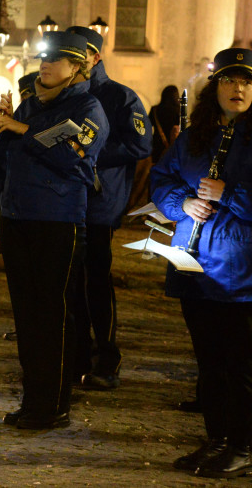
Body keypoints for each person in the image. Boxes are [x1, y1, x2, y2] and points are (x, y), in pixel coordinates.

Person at [0, 29, 107, 430]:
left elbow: (74, 157)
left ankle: (54, 404)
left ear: (77, 68)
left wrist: (22, 131)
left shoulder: (88, 107)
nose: (45, 65)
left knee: (53, 315)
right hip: (18, 217)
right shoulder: (28, 106)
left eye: (55, 60)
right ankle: (34, 399)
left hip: (57, 221)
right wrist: (1, 127)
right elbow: (2, 162)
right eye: (43, 59)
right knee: (26, 315)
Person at [150, 47, 252, 478]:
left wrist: (226, 193)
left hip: (241, 274)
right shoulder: (195, 135)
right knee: (209, 364)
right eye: (230, 80)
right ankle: (217, 439)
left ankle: (244, 445)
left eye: (247, 82)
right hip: (194, 266)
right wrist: (184, 201)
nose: (239, 88)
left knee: (240, 365)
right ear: (216, 87)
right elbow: (161, 177)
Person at [67, 26, 152, 391]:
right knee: (69, 281)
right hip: (64, 201)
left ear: (95, 57)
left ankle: (107, 355)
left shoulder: (120, 97)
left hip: (99, 203)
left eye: (79, 55)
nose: (73, 62)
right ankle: (76, 355)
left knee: (96, 280)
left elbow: (140, 144)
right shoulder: (64, 94)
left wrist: (91, 152)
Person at [151, 84, 182, 163]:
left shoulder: (154, 109)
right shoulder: (177, 111)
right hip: (172, 145)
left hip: (157, 145)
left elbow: (148, 126)